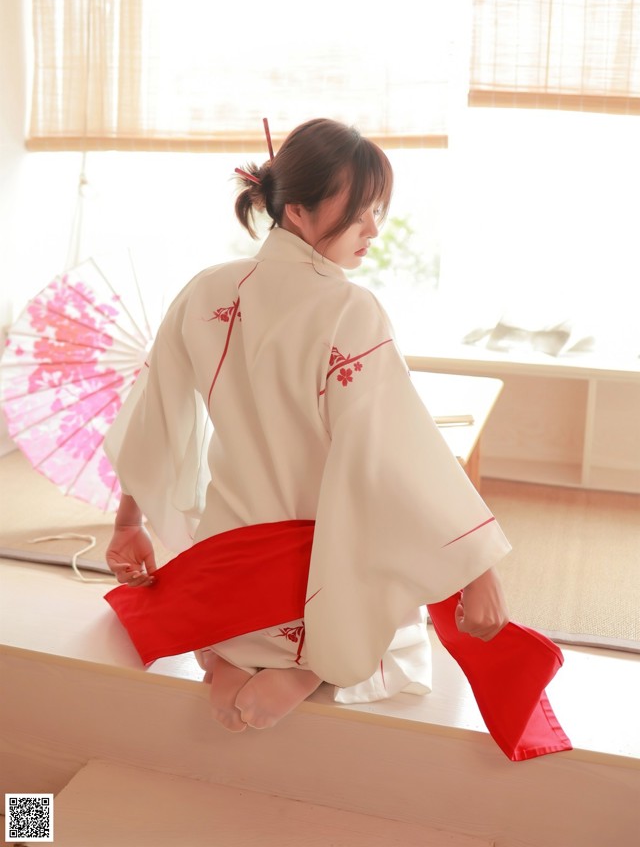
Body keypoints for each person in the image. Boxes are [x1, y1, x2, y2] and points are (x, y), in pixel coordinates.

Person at [104, 118, 511, 734]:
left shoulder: (205, 290)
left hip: (231, 560)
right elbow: (399, 452)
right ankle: (312, 666)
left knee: (229, 608)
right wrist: (478, 567)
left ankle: (229, 656)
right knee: (388, 599)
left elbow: (157, 417)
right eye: (360, 212)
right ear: (296, 210)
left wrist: (128, 524)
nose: (374, 228)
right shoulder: (349, 308)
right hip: (314, 562)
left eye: (378, 210)